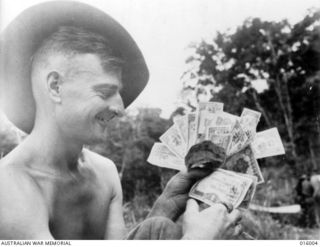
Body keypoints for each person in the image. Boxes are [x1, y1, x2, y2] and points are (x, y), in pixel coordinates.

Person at [0, 1, 242, 240]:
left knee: (160, 226)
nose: (120, 108)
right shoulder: (10, 186)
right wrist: (198, 241)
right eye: (104, 92)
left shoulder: (104, 173)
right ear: (55, 86)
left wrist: (165, 207)